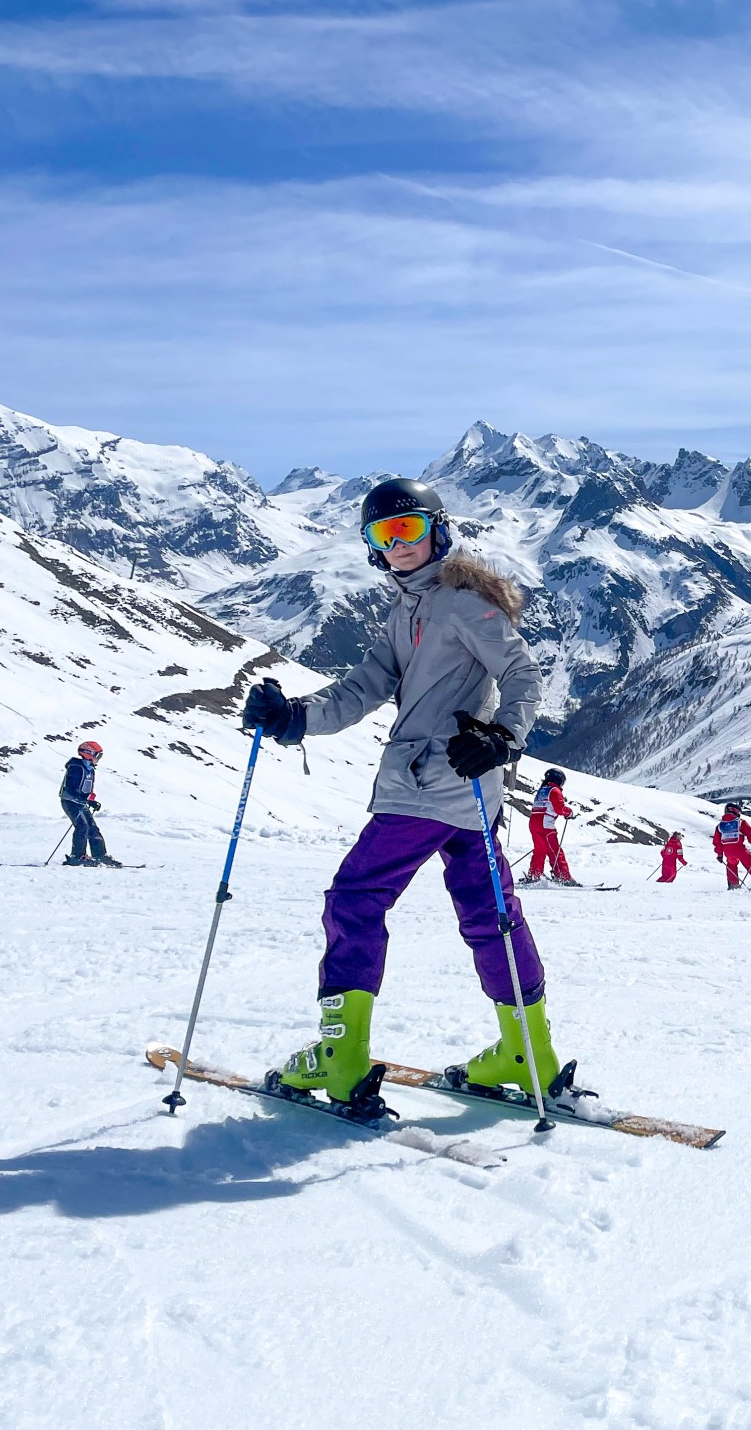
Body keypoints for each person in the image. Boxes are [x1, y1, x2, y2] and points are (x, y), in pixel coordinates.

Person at [240, 476, 561, 1116]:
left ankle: (341, 1056)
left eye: (409, 529)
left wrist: (503, 735)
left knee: (356, 899)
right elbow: (363, 687)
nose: (398, 545)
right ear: (371, 546)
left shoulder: (461, 603)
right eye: (383, 535)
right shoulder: (407, 610)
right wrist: (294, 717)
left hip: (426, 783)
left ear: (438, 531)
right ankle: (528, 1052)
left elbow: (522, 672)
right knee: (491, 913)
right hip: (471, 794)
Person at [58, 740, 120, 867]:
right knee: (82, 826)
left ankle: (100, 855)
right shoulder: (76, 768)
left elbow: (85, 790)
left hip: (80, 803)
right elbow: (71, 789)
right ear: (89, 754)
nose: (98, 759)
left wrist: (91, 801)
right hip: (70, 802)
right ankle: (77, 856)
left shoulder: (89, 769)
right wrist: (85, 798)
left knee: (92, 827)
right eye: (98, 756)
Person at [525, 767, 575, 884]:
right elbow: (559, 808)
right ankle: (563, 877)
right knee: (555, 851)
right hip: (545, 825)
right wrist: (569, 812)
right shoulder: (554, 791)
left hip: (533, 823)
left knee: (540, 850)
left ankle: (534, 875)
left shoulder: (542, 790)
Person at [713, 803, 751, 891]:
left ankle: (733, 887)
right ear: (736, 812)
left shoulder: (720, 826)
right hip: (740, 850)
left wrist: (719, 854)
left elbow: (717, 842)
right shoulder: (740, 822)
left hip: (728, 852)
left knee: (731, 866)